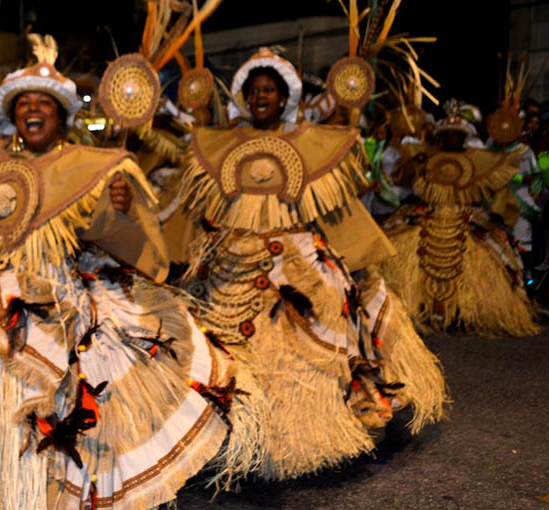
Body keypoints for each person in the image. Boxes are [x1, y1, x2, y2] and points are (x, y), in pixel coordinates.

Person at [0, 35, 229, 510]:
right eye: (24, 102)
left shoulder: (88, 166)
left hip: (52, 296)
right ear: (13, 116)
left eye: (44, 102)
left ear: (63, 115)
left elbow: (137, 247)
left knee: (45, 393)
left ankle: (28, 490)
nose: (33, 109)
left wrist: (117, 212)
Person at [177, 48, 446, 484]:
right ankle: (235, 435)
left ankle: (311, 429)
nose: (261, 96)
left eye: (270, 89)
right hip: (232, 262)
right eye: (254, 89)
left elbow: (337, 203)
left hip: (298, 262)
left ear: (284, 98)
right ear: (245, 96)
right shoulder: (222, 144)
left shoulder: (308, 141)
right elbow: (202, 206)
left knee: (328, 318)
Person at [379, 112, 539, 335]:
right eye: (447, 135)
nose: (451, 139)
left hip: (467, 217)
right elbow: (403, 176)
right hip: (429, 215)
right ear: (440, 137)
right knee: (390, 243)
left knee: (499, 252)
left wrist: (496, 212)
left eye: (456, 135)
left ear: (464, 138)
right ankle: (410, 302)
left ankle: (474, 307)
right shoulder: (426, 156)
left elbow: (500, 181)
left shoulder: (479, 158)